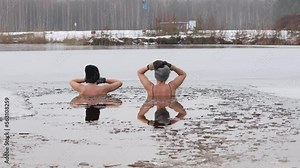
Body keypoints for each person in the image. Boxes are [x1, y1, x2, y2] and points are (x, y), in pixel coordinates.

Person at [137, 60, 187, 127]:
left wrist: (150, 66)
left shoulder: (150, 88)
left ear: (155, 75)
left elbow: (139, 72)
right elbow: (183, 74)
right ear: (167, 75)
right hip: (171, 102)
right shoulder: (171, 87)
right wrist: (172, 67)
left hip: (151, 100)